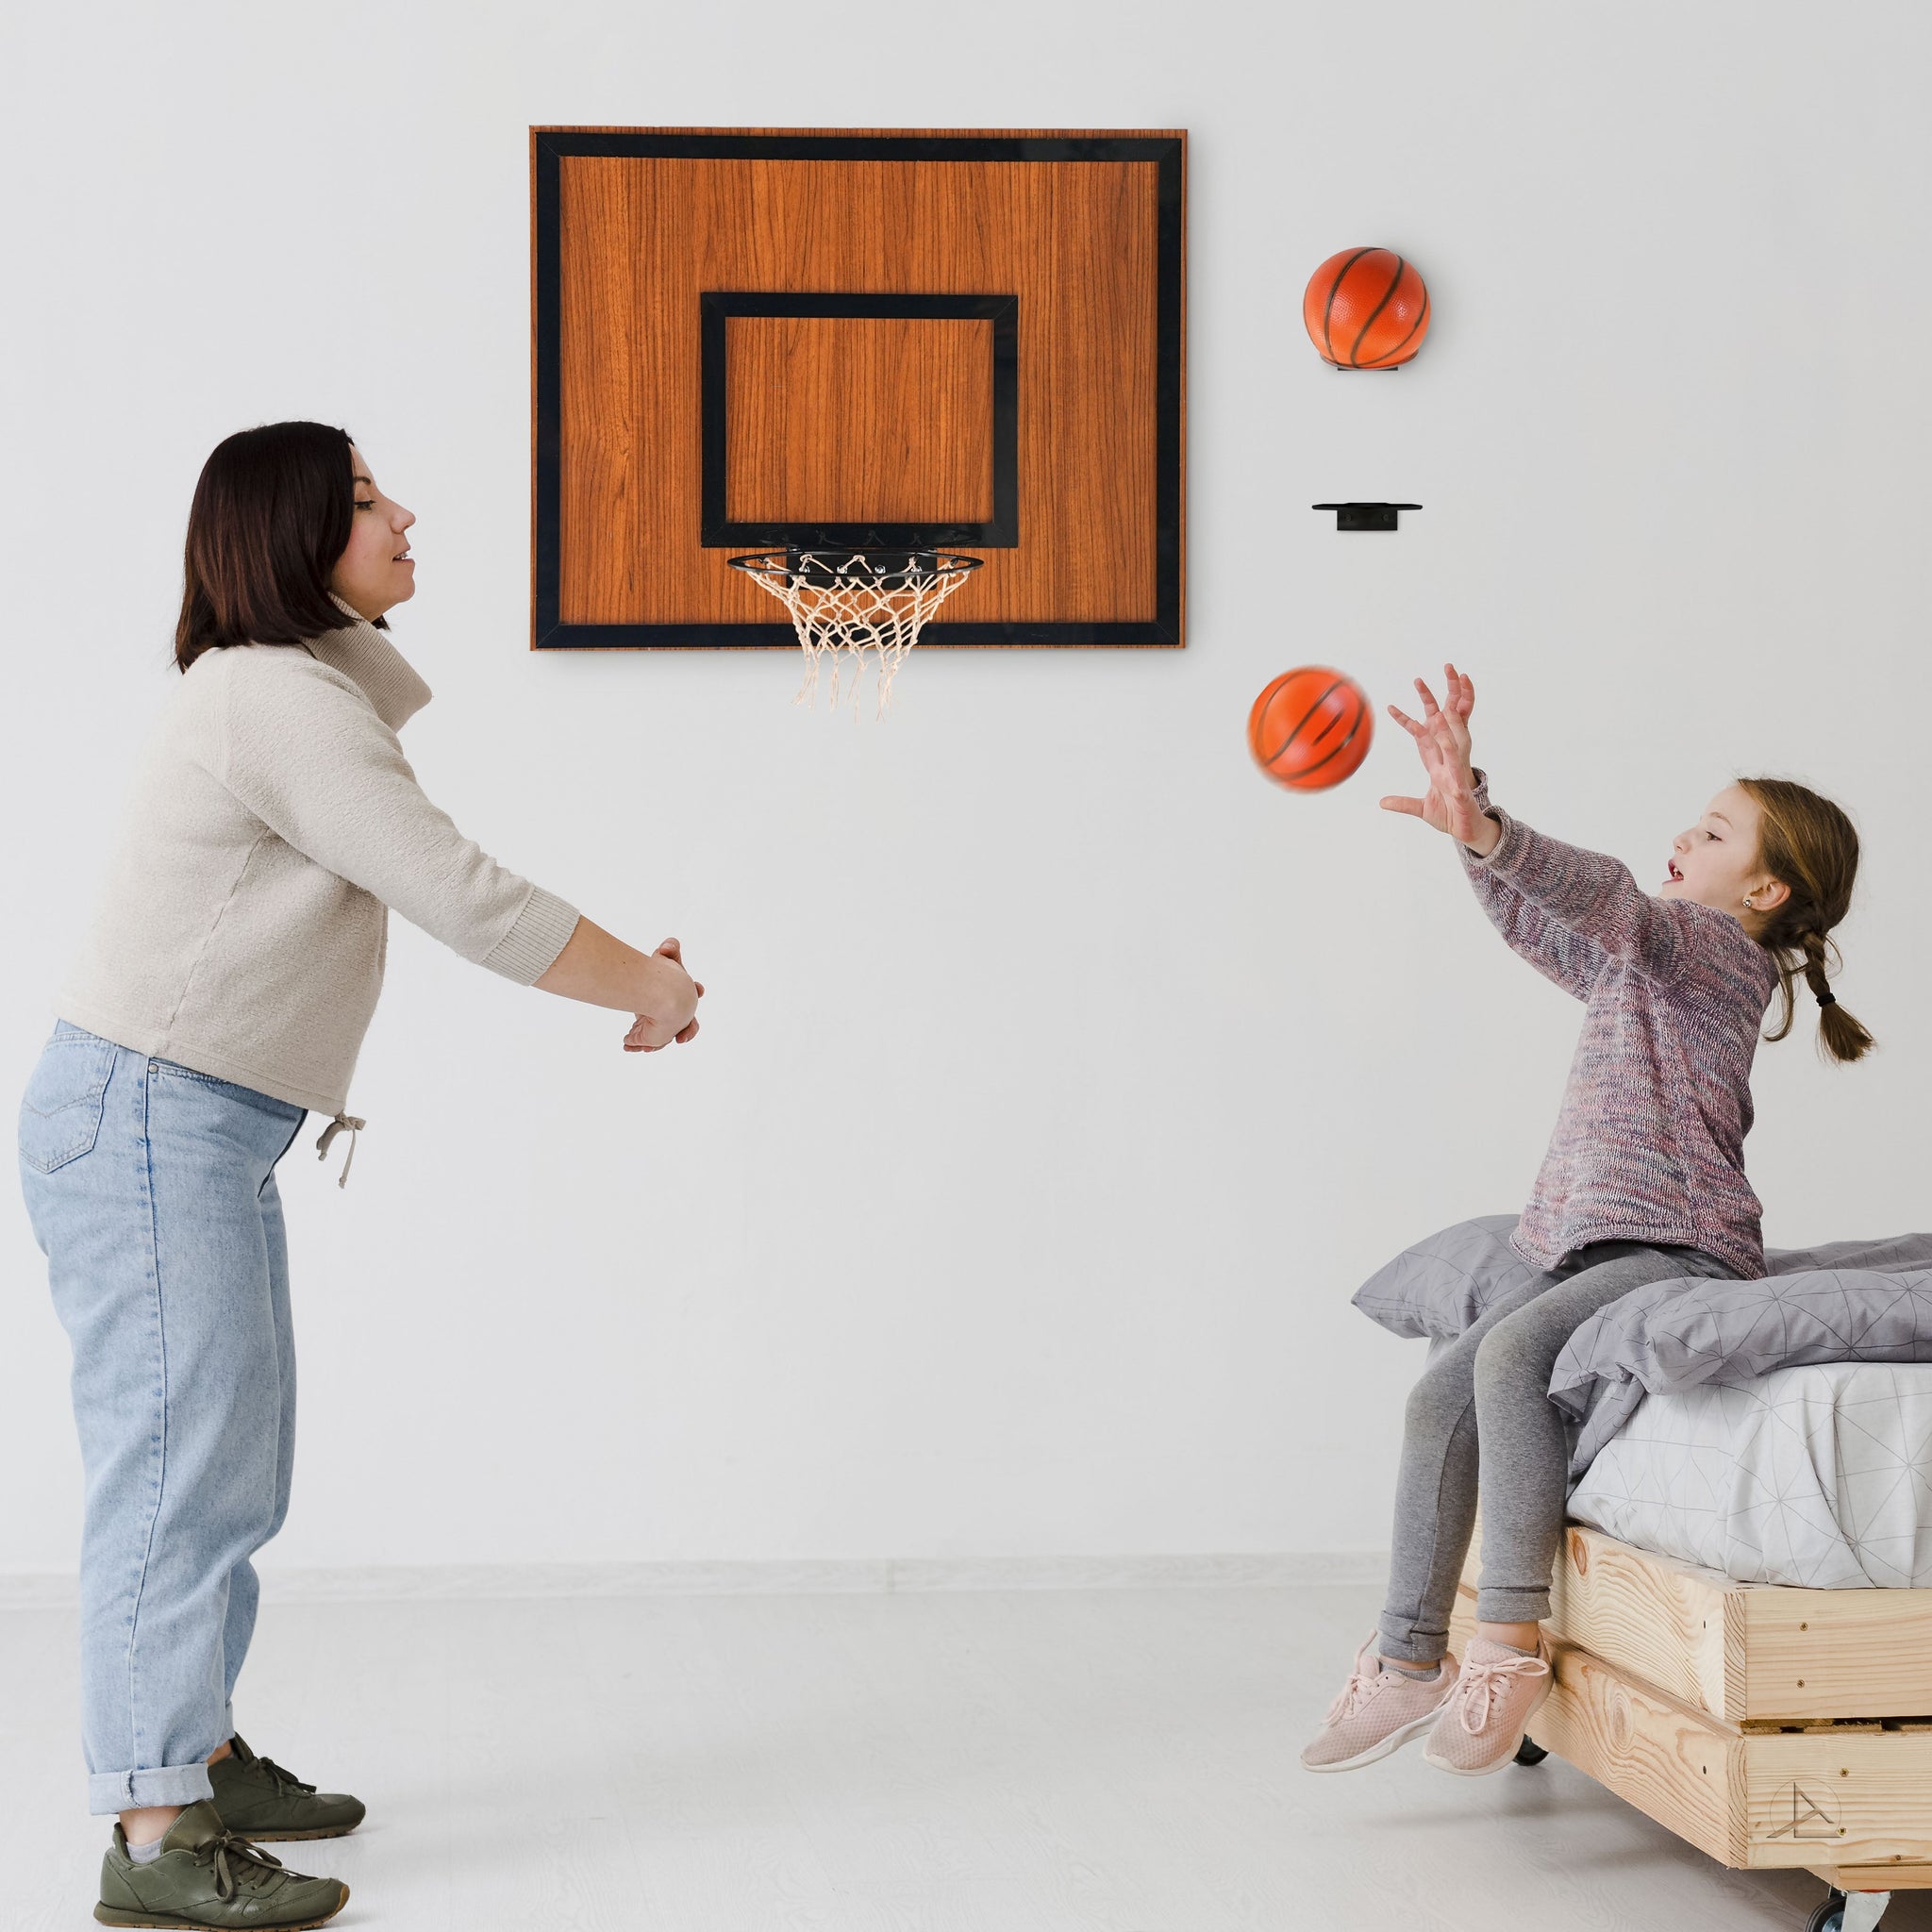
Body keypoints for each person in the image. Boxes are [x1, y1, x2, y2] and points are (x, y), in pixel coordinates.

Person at [18, 422, 704, 1930]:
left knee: (230, 1465)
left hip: (190, 1126)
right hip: (148, 1122)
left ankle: (192, 1747)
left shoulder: (297, 690)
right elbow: (461, 892)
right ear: (282, 537)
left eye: (385, 490)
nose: (403, 513)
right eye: (362, 501)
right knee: (177, 1474)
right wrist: (645, 993)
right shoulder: (272, 700)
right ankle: (152, 1833)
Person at [1302, 664, 1872, 1779]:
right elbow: (1545, 926)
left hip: (1677, 1241)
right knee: (1437, 1393)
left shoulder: (1715, 958)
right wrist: (1468, 824)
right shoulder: (1646, 960)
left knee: (1513, 1356)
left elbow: (1603, 895)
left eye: (1712, 833)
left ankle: (1505, 1644)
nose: (1684, 835)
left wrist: (1496, 826)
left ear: (1763, 892)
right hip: (1585, 1237)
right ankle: (1408, 1657)